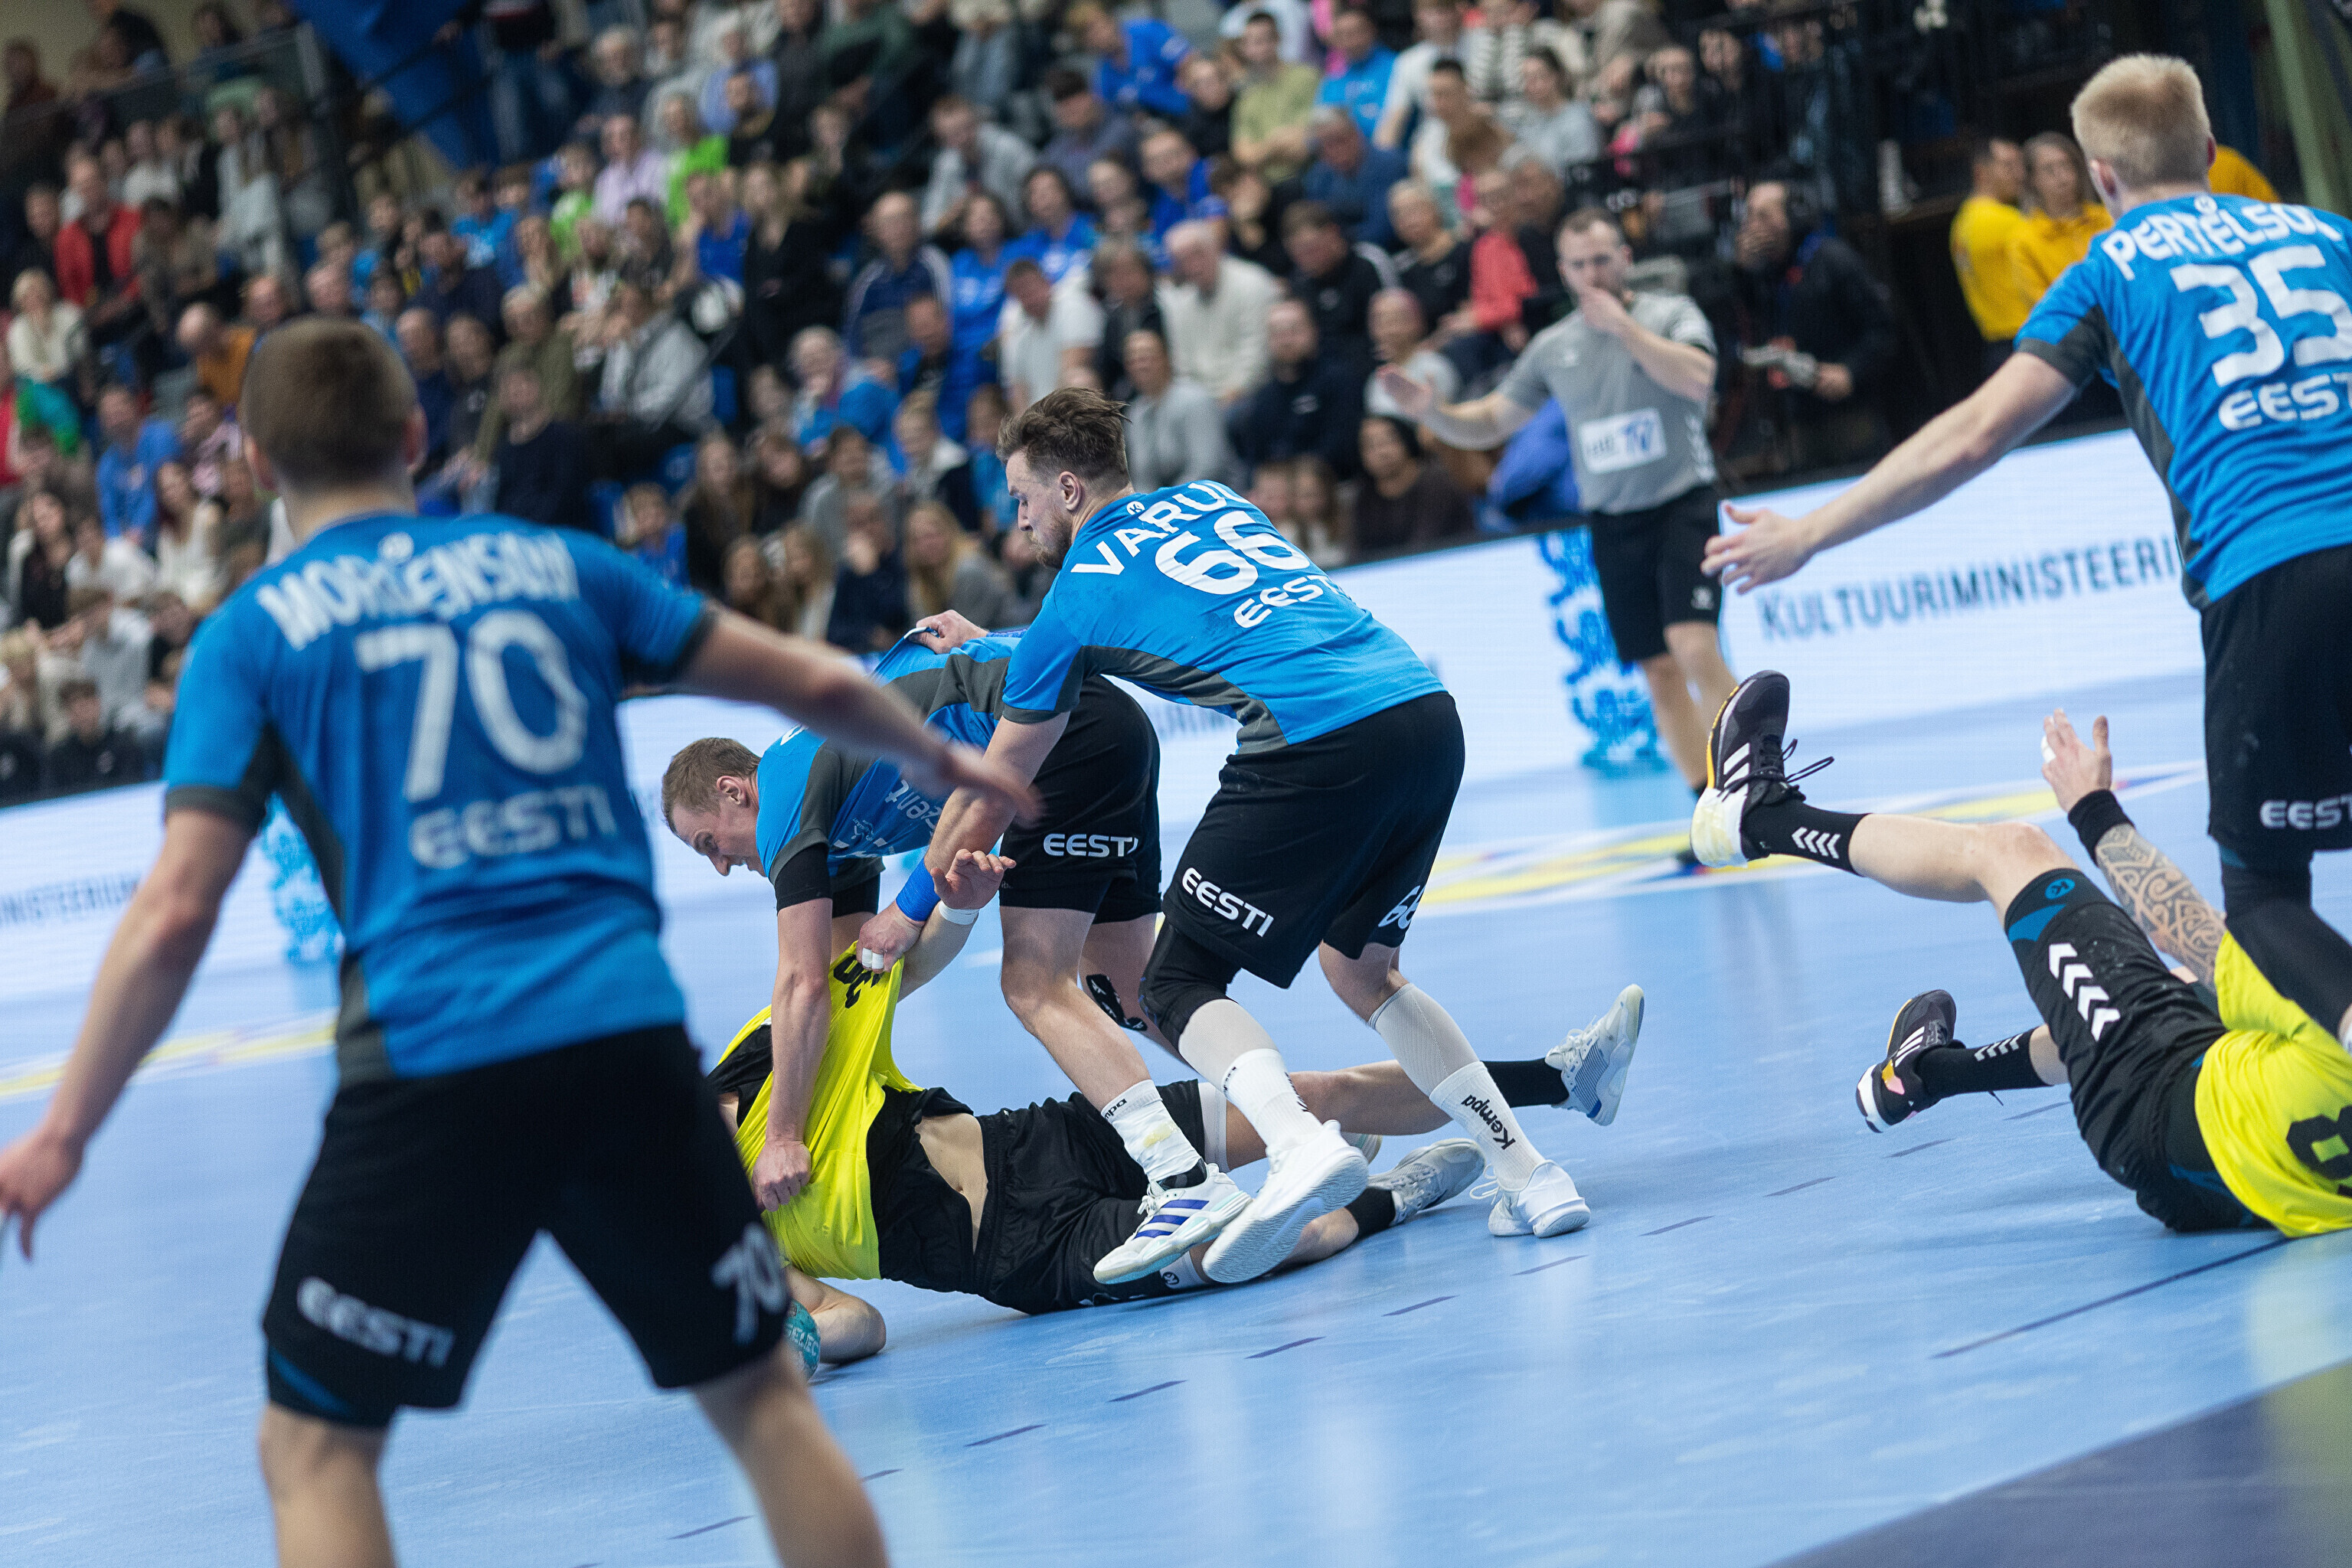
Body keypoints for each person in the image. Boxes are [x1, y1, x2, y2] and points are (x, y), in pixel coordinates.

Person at [0, 317, 1044, 1568]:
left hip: (430, 1062)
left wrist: (63, 1130)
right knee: (764, 1400)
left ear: (262, 466)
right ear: (415, 435)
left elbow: (176, 909)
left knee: (317, 1449)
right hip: (622, 1048)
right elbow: (806, 682)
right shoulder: (558, 565)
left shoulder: (253, 633)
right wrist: (941, 756)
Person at [863, 388, 1610, 1288]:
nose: (1017, 519)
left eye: (1023, 497)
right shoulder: (1213, 500)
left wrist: (909, 910)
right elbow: (1182, 604)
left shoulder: (1071, 601)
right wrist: (1008, 641)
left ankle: (1297, 1144)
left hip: (1312, 739)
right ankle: (1529, 1173)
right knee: (1364, 971)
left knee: (1171, 984)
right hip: (1420, 710)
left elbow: (997, 784)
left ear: (1066, 489)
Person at [1708, 54, 2352, 1053]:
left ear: (2101, 175)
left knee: (2266, 899)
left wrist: (1809, 531)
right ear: (2210, 148)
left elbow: (1974, 435)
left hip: (2269, 575)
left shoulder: (2107, 272)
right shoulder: (2326, 235)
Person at [704, 910, 1643, 1332]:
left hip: (1048, 1138)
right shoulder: (723, 1222)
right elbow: (855, 1322)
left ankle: (1560, 1082)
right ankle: (1395, 1195)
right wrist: (792, 1338)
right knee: (1273, 1241)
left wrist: (952, 889)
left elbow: (888, 962)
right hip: (1032, 1250)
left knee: (1307, 1096)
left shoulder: (771, 1050)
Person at [663, 619, 1254, 1279]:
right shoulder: (832, 817)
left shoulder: (781, 795)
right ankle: (1291, 1129)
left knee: (1033, 985)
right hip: (1108, 726)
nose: (720, 867)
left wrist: (781, 1138)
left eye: (709, 845)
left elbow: (802, 983)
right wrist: (935, 911)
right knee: (1132, 991)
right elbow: (852, 981)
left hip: (1053, 738)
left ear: (733, 790)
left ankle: (1181, 1180)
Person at [1694, 677, 2352, 1243]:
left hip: (2151, 1106)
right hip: (2223, 1191)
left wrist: (2092, 808)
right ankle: (1924, 1076)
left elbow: (2180, 924)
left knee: (2013, 852)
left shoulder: (2334, 1000)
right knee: (2173, 996)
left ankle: (1758, 818)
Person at [1380, 207, 1734, 800]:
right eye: (1579, 264)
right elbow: (1491, 420)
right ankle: (1708, 801)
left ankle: (1756, 782)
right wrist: (1433, 414)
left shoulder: (1670, 314)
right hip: (1614, 521)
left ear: (1625, 260)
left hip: (1682, 502)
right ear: (1564, 272)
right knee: (1657, 667)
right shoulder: (1553, 347)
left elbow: (1699, 378)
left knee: (1694, 645)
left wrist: (1625, 329)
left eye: (1602, 260)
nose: (1593, 274)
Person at [1731, 181, 1898, 471]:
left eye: (1763, 216)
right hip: (1798, 421)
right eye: (1749, 218)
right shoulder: (1763, 274)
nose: (1752, 227)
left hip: (1850, 416)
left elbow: (1883, 330)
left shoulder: (1833, 260)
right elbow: (1751, 328)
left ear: (1792, 216)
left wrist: (1850, 371)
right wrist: (1741, 273)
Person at [1230, 301, 1366, 479]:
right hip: (1277, 488)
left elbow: (1342, 449)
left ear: (1314, 331)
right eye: (1277, 333)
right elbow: (1256, 459)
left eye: (1294, 330)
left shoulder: (1339, 381)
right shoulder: (1263, 397)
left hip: (1333, 483)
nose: (1286, 340)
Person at [1160, 220, 1280, 407]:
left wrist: (1229, 396)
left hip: (1250, 394)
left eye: (1197, 254)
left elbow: (1257, 355)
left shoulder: (1252, 283)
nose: (1192, 266)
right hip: (1201, 401)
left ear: (1216, 248)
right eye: (1182, 260)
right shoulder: (1181, 302)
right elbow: (1182, 365)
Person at [1951, 136, 2031, 373]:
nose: (2020, 175)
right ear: (1981, 172)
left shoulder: (1962, 222)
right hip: (2025, 341)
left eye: (2020, 165)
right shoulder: (2005, 221)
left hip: (1997, 347)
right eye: (2008, 165)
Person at [1123, 328, 1240, 490]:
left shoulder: (1196, 400)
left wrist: (1166, 500)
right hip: (1162, 502)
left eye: (1146, 358)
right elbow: (1141, 476)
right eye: (1133, 360)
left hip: (1210, 497)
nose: (1140, 365)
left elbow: (1208, 467)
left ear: (1166, 358)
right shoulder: (1135, 413)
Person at [2007, 132, 2112, 312]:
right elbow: (2043, 306)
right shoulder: (2023, 241)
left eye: (2066, 165)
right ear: (2032, 180)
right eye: (2049, 170)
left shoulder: (2107, 218)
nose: (2062, 177)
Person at [843, 192, 952, 366]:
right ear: (876, 231)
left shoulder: (934, 264)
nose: (897, 228)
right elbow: (852, 338)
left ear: (917, 223)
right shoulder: (867, 281)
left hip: (928, 363)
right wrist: (866, 367)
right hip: (878, 371)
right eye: (889, 222)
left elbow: (950, 318)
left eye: (903, 219)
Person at [487, 362, 596, 534]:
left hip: (557, 534)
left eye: (521, 385)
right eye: (508, 389)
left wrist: (526, 531)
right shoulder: (504, 447)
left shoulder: (565, 436)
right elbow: (502, 500)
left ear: (536, 387)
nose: (515, 393)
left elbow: (565, 498)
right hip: (513, 534)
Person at [1353, 413, 1472, 554]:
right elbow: (1358, 553)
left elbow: (1424, 548)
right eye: (1371, 446)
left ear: (1406, 439)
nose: (1382, 452)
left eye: (1389, 441)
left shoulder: (1438, 484)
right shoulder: (1364, 498)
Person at [920, 96, 1035, 239]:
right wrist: (953, 213)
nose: (963, 138)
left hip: (1023, 232)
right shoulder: (946, 164)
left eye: (967, 128)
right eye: (953, 135)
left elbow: (1040, 191)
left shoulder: (1008, 147)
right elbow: (928, 224)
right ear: (941, 140)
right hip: (977, 244)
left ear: (977, 121)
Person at [998, 257, 1103, 413]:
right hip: (1039, 416)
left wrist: (1050, 422)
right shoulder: (1018, 331)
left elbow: (1071, 369)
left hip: (1067, 411)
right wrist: (1026, 423)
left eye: (1031, 289)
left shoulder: (1074, 307)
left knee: (1079, 381)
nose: (1030, 299)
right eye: (1022, 294)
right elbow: (1016, 389)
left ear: (1047, 282)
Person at [1230, 10, 1323, 185]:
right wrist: (1272, 146)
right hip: (1271, 184)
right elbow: (1243, 155)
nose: (1258, 47)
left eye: (1263, 39)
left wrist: (1263, 151)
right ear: (1243, 48)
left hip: (1313, 171)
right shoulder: (1246, 98)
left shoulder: (1306, 77)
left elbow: (1318, 131)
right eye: (1250, 42)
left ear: (1278, 39)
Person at [1300, 108, 1410, 249]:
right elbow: (1317, 226)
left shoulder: (1389, 164)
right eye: (1325, 145)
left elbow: (1381, 230)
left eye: (1340, 140)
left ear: (1357, 135)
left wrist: (1338, 243)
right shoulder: (1319, 176)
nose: (1335, 150)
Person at [1069, 2, 1191, 121]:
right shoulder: (1103, 78)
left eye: (1098, 25)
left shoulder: (1147, 32)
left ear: (1111, 19)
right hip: (1162, 124)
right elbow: (1118, 117)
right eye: (1088, 33)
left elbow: (1190, 61)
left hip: (1191, 104)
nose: (1097, 35)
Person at [903, 502, 1017, 626]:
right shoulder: (922, 582)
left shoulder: (969, 570)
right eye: (917, 539)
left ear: (950, 533)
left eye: (931, 536)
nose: (927, 544)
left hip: (1008, 633)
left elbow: (966, 630)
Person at [93, 383, 181, 543]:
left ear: (133, 407)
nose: (115, 421)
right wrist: (117, 541)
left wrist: (139, 529)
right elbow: (109, 515)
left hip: (169, 529)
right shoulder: (106, 465)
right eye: (108, 417)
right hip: (130, 545)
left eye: (119, 412)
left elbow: (162, 490)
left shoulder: (161, 437)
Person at [1375, 0, 1467, 152]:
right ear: (1418, 15)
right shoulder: (1408, 61)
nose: (1440, 17)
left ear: (1459, 10)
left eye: (1446, 9)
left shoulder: (1483, 45)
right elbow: (1394, 117)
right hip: (1434, 141)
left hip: (1479, 133)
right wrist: (1380, 157)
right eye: (1433, 11)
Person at [1318, 7, 1399, 143]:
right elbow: (1322, 122)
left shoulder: (1397, 67)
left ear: (1372, 30)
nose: (1350, 41)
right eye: (1342, 35)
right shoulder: (1334, 78)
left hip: (1385, 148)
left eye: (1355, 32)